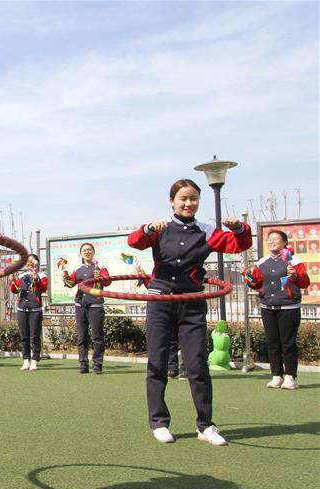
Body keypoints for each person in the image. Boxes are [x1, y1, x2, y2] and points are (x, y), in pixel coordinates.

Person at [129, 178, 252, 446]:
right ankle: (159, 422)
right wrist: (149, 228)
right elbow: (134, 241)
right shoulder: (160, 227)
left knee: (197, 364)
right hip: (160, 300)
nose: (188, 203)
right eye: (183, 198)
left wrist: (240, 227)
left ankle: (205, 425)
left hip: (193, 302)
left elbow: (238, 245)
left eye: (193, 198)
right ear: (172, 201)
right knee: (158, 363)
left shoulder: (207, 231)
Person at [242, 230, 310, 389]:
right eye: (269, 239)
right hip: (268, 306)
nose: (271, 242)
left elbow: (305, 282)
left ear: (285, 242)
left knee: (288, 343)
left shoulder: (294, 261)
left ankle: (290, 377)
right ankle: (276, 375)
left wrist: (294, 276)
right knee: (272, 343)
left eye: (275, 239)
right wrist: (247, 276)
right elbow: (256, 283)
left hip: (288, 307)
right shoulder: (262, 262)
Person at [62, 243, 110, 374]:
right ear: (81, 254)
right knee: (81, 336)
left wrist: (99, 276)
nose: (87, 252)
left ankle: (97, 364)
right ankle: (83, 364)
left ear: (93, 252)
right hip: (80, 305)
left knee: (97, 337)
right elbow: (70, 284)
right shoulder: (78, 269)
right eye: (84, 250)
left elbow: (107, 281)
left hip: (96, 305)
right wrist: (65, 276)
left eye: (89, 250)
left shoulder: (100, 268)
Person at [10, 253, 47, 371]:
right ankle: (26, 359)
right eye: (28, 261)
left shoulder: (42, 275)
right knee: (24, 336)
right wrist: (13, 281)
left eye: (33, 261)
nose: (30, 263)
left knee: (35, 336)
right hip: (22, 309)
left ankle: (35, 360)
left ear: (37, 262)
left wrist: (36, 279)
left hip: (35, 309)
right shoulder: (22, 276)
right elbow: (15, 290)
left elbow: (43, 288)